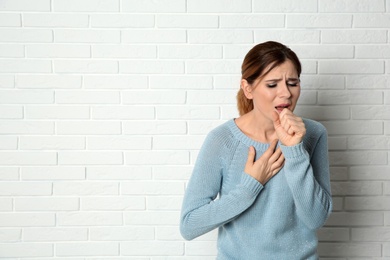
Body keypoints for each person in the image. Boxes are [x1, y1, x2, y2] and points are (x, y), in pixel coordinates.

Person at [180, 41, 333, 259]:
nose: (286, 94)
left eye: (292, 83)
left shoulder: (313, 134)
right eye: (272, 85)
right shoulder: (221, 140)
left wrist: (295, 150)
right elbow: (189, 224)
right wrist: (250, 185)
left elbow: (315, 218)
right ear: (248, 88)